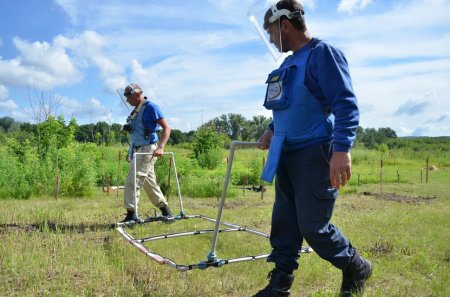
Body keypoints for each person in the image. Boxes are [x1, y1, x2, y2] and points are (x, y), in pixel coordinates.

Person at [251, 1, 372, 296]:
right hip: (286, 153)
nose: (269, 39)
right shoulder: (286, 64)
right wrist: (271, 129)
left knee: (313, 226)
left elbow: (345, 103)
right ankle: (280, 284)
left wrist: (341, 150)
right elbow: (286, 105)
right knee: (284, 223)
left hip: (314, 153)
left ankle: (356, 266)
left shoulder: (322, 54)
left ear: (285, 25)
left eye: (270, 32)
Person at [120, 83, 173, 223]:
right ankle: (167, 212)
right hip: (137, 150)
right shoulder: (135, 111)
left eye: (129, 97)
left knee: (133, 180)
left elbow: (167, 128)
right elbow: (136, 134)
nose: (127, 100)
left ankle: (131, 216)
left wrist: (161, 147)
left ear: (137, 94)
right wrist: (130, 151)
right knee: (149, 183)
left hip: (148, 150)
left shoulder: (151, 107)